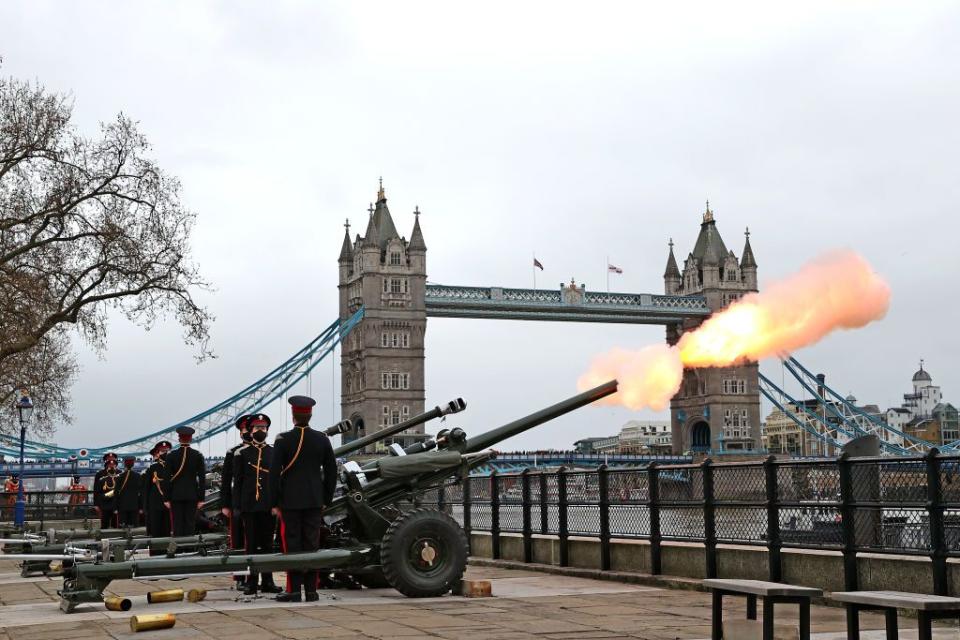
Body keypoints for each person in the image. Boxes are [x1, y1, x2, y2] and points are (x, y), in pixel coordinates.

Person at [270, 396, 338, 602]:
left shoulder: (283, 440)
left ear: (293, 415)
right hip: (314, 500)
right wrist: (326, 498)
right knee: (312, 543)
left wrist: (275, 502)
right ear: (310, 415)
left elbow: (273, 474)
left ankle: (293, 590)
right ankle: (311, 590)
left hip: (290, 501)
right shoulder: (322, 439)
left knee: (292, 545)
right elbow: (331, 471)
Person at [233, 413, 282, 595]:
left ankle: (268, 581)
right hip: (249, 506)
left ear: (267, 430)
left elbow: (278, 480)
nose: (260, 430)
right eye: (256, 428)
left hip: (268, 506)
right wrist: (237, 506)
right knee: (251, 544)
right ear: (251, 431)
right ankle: (251, 582)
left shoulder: (274, 452)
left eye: (263, 428)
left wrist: (277, 504)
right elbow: (237, 482)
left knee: (268, 544)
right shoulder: (242, 454)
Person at [221, 414, 252, 589]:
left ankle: (260, 577)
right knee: (238, 541)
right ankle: (240, 578)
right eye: (244, 430)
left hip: (257, 503)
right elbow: (226, 481)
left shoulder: (265, 450)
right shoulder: (233, 453)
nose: (247, 432)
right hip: (237, 503)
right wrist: (225, 504)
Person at [161, 426, 206, 536]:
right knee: (190, 523)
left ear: (179, 438)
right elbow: (202, 478)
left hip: (176, 495)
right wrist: (201, 498)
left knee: (177, 524)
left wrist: (166, 498)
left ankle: (179, 550)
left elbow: (166, 478)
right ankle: (190, 550)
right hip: (192, 495)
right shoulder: (197, 455)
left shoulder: (171, 456)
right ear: (191, 439)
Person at [142, 441, 172, 547]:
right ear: (158, 453)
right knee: (155, 532)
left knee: (168, 532)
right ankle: (156, 554)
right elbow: (146, 489)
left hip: (169, 504)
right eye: (163, 451)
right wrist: (145, 507)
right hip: (155, 504)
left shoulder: (173, 466)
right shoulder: (152, 468)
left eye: (167, 451)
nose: (166, 453)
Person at [93, 454, 120, 529]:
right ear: (106, 462)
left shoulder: (120, 473)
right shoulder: (100, 474)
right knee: (104, 524)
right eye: (109, 460)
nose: (112, 465)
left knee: (117, 524)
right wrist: (96, 504)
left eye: (113, 461)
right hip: (104, 503)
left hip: (117, 503)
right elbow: (96, 490)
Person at [116, 456, 141, 527]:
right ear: (133, 464)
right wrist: (141, 506)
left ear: (124, 464)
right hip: (134, 505)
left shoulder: (119, 476)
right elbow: (140, 492)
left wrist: (115, 507)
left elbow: (116, 493)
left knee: (123, 526)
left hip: (122, 505)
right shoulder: (138, 476)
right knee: (134, 527)